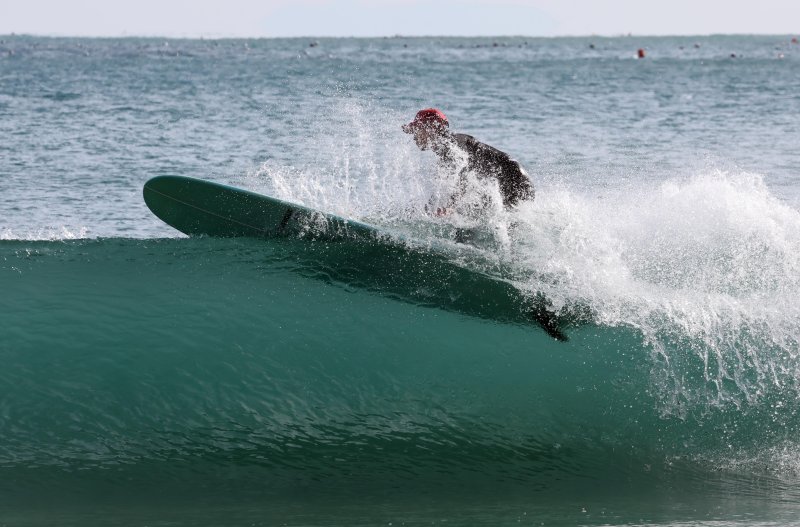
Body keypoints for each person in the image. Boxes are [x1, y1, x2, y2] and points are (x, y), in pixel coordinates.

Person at [402, 108, 534, 214]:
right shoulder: (446, 149)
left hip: (515, 179)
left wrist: (450, 206)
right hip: (511, 179)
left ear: (431, 128)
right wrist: (426, 209)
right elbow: (444, 187)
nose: (414, 136)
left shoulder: (452, 143)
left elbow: (463, 171)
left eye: (417, 130)